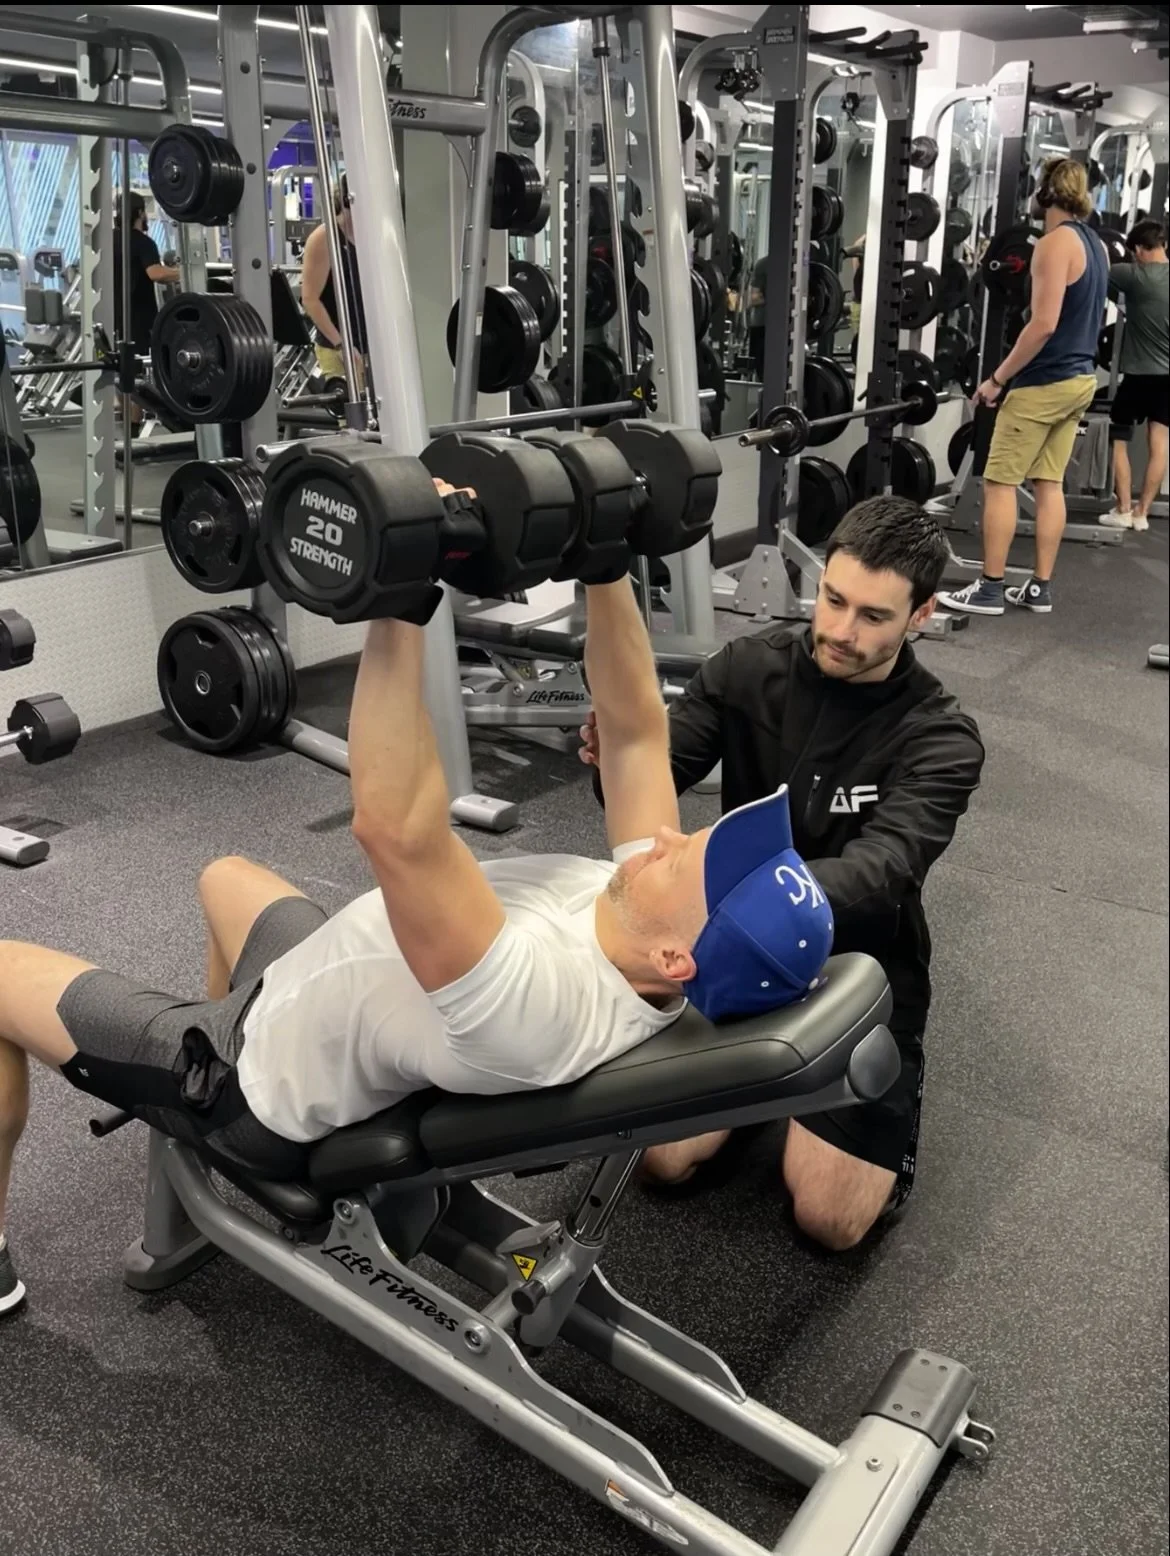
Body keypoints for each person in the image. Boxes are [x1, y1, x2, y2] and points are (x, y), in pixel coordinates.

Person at [0, 497, 835, 1317]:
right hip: (314, 986)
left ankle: (177, 1126)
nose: (669, 839)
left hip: (254, 1082)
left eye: (688, 860)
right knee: (227, 873)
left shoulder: (539, 1004)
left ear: (677, 961)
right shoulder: (646, 932)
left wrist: (399, 591)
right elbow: (634, 731)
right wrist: (610, 559)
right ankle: (193, 1111)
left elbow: (394, 824)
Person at [582, 497, 985, 1250]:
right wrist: (618, 758)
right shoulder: (747, 667)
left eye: (873, 616)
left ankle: (858, 1104)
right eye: (833, 599)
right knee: (663, 1165)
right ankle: (755, 1091)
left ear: (921, 615)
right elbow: (650, 780)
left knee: (828, 1222)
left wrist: (732, 901)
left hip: (858, 964)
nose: (840, 630)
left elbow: (881, 871)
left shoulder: (941, 737)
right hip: (728, 952)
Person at [938, 157, 1109, 619]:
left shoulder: (1053, 244)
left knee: (999, 483)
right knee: (1048, 481)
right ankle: (1039, 588)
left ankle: (990, 588)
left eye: (1038, 188)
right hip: (1080, 379)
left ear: (1049, 193)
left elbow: (1043, 325)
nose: (1034, 197)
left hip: (1044, 383)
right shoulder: (1096, 245)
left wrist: (997, 378)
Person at [1101, 218, 1168, 531]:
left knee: (1118, 439)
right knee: (1160, 441)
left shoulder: (1132, 274)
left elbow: (1098, 261)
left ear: (1140, 249)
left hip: (1139, 375)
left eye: (1134, 252)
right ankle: (1142, 513)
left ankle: (1123, 507)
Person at [299, 176, 368, 387]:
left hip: (371, 346)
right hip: (339, 349)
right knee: (353, 419)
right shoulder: (324, 237)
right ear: (349, 199)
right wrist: (341, 344)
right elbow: (309, 299)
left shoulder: (370, 234)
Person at [112, 191, 179, 352]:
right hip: (138, 321)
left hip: (113, 319)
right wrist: (185, 272)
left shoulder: (109, 240)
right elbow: (156, 273)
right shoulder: (144, 242)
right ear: (141, 213)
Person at [747, 251, 767, 378]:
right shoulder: (798, 265)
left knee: (762, 375)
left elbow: (754, 298)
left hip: (761, 326)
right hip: (784, 327)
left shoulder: (763, 264)